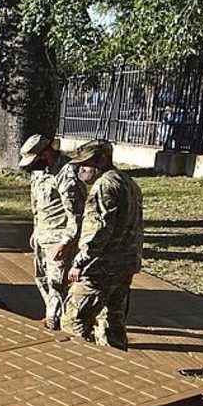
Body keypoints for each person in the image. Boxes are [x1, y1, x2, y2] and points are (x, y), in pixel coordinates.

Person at [64, 139, 143, 350]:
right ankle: (116, 365)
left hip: (101, 267)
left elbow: (98, 230)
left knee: (74, 320)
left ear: (102, 160)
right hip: (124, 265)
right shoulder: (128, 182)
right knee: (113, 323)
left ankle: (77, 365)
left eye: (87, 163)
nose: (82, 169)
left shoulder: (104, 185)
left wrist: (79, 262)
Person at [19, 134, 86, 330]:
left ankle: (55, 321)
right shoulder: (39, 172)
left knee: (57, 282)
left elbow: (76, 214)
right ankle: (52, 312)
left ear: (46, 154)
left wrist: (66, 242)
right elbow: (37, 203)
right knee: (42, 278)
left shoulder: (67, 173)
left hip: (59, 238)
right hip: (43, 235)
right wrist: (35, 229)